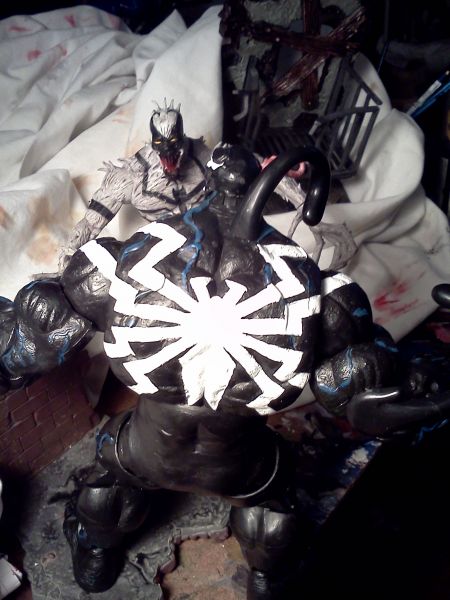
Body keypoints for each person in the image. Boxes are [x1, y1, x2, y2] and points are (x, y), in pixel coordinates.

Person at [0, 144, 447, 599]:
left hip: (161, 453)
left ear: (207, 178)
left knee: (120, 495)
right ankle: (245, 575)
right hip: (229, 464)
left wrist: (388, 394)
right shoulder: (321, 294)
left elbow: (365, 384)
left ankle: (110, 552)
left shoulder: (123, 263)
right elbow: (30, 336)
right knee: (263, 522)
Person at [58, 101, 210, 269]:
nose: (167, 148)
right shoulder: (132, 175)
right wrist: (71, 250)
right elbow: (91, 222)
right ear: (154, 142)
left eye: (173, 140)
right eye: (160, 142)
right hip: (166, 248)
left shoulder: (205, 158)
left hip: (209, 236)